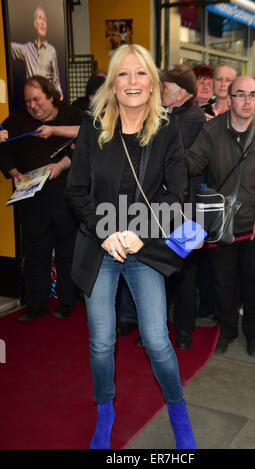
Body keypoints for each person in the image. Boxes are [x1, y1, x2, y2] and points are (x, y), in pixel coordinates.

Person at [65, 44, 197, 450]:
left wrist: (137, 232)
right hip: (98, 246)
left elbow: (177, 194)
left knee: (157, 339)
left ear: (153, 82)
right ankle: (106, 410)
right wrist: (107, 231)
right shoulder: (93, 127)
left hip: (146, 248)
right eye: (124, 74)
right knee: (101, 340)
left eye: (141, 74)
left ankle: (177, 409)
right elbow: (77, 190)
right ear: (113, 82)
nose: (133, 82)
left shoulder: (167, 128)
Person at [186, 76, 255, 356]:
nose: (247, 101)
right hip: (221, 221)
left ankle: (254, 334)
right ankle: (227, 330)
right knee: (223, 281)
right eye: (240, 95)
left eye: (253, 95)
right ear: (229, 99)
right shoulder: (213, 129)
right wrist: (169, 160)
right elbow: (195, 161)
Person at [0, 75, 83, 321]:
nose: (33, 106)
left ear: (51, 97)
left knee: (67, 249)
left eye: (37, 100)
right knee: (35, 250)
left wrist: (61, 165)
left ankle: (67, 301)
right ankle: (36, 303)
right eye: (28, 102)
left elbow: (89, 145)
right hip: (31, 196)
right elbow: (2, 150)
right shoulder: (15, 121)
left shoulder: (72, 115)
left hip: (65, 193)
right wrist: (14, 173)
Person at [159, 64, 208, 349]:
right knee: (158, 267)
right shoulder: (163, 114)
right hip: (161, 208)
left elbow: (179, 161)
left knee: (185, 272)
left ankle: (184, 329)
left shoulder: (193, 119)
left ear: (182, 93)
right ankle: (157, 327)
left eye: (164, 87)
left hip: (187, 209)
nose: (159, 91)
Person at [11, 6, 63, 95]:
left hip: (46, 97)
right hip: (31, 98)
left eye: (45, 20)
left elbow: (56, 79)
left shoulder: (51, 50)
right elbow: (9, 46)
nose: (43, 22)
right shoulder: (27, 48)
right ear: (35, 23)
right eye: (40, 18)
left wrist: (59, 92)